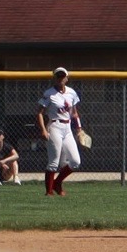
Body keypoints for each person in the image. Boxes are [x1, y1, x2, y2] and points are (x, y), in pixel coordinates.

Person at [36, 67, 82, 196]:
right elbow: (39, 113)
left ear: (67, 78)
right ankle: (49, 192)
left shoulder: (71, 92)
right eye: (58, 76)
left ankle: (57, 183)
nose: (61, 79)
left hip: (67, 128)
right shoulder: (49, 93)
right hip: (55, 126)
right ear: (54, 78)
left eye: (63, 76)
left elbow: (74, 113)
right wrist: (44, 130)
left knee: (75, 162)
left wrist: (79, 128)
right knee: (54, 162)